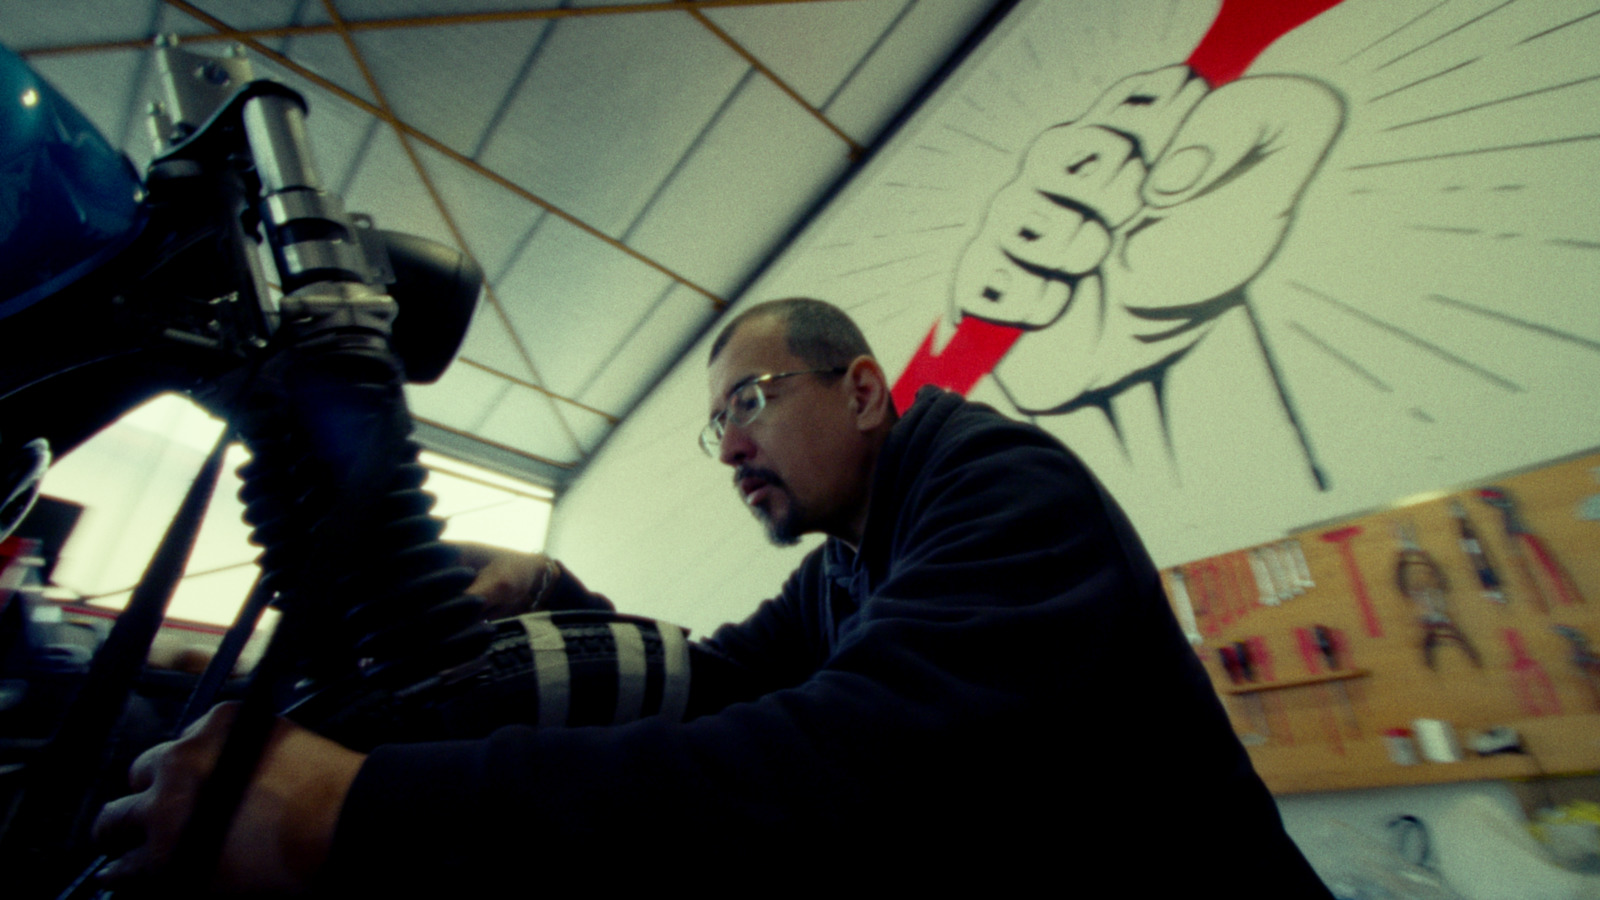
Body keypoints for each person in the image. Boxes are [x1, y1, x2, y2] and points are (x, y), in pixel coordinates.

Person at [92, 298, 1331, 894]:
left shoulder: (1000, 491)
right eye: (715, 428)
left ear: (860, 389)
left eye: (748, 402)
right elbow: (721, 677)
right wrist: (560, 594)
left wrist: (368, 811)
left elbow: (832, 769)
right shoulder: (848, 565)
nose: (731, 447)